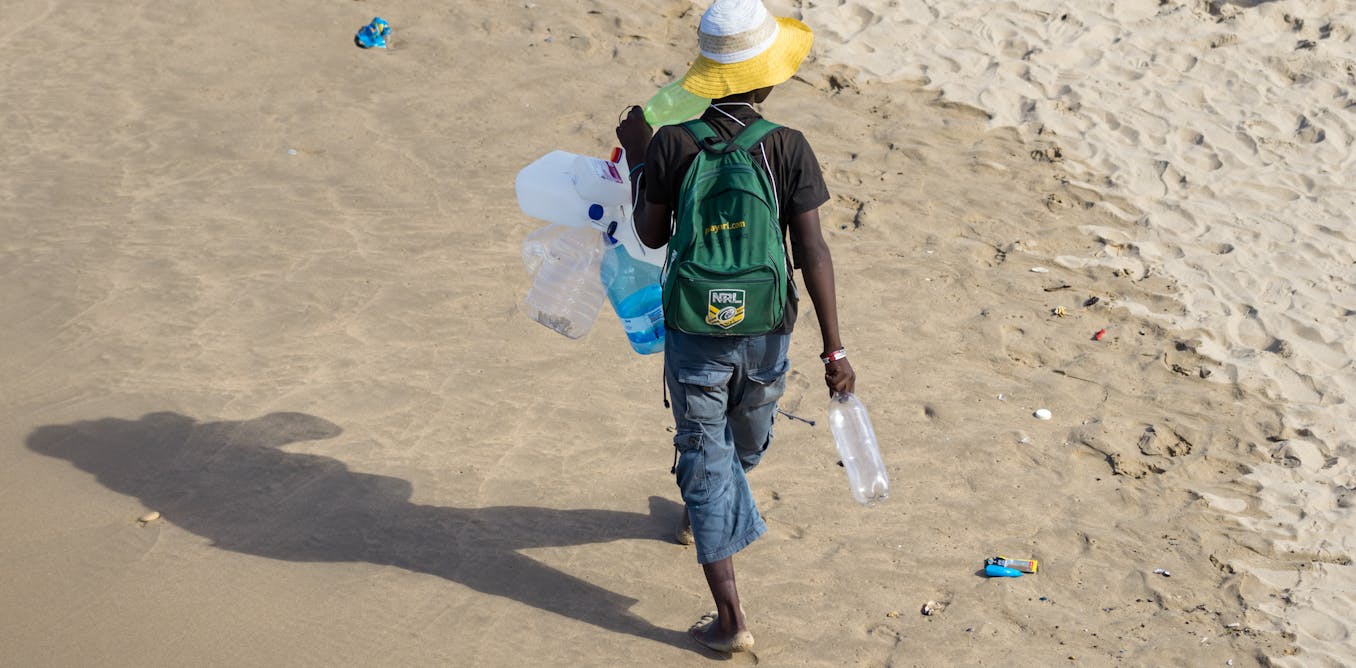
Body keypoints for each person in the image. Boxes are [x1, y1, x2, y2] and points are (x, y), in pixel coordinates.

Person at [615, 0, 854, 654]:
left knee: (706, 453)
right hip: (768, 331)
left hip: (696, 330)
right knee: (742, 441)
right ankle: (728, 608)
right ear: (768, 76)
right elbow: (812, 251)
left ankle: (722, 586)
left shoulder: (672, 143)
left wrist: (639, 157)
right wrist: (834, 350)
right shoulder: (788, 146)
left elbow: (650, 234)